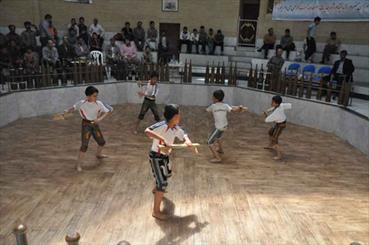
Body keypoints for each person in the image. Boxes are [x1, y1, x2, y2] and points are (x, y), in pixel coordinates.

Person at [145, 104, 195, 220]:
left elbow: (184, 134)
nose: (180, 116)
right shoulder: (161, 126)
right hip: (156, 157)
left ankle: (156, 188)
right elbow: (147, 131)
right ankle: (155, 211)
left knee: (167, 174)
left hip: (165, 156)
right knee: (162, 183)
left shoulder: (175, 127)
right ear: (175, 116)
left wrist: (187, 141)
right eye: (179, 114)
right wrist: (162, 139)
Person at [64, 86, 113, 172]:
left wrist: (99, 119)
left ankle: (98, 154)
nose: (96, 97)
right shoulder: (81, 103)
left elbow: (107, 111)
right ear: (88, 96)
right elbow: (74, 107)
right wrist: (67, 111)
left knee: (102, 142)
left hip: (94, 124)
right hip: (86, 125)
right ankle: (78, 165)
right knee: (84, 145)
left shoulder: (99, 103)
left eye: (96, 95)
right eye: (94, 96)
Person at [206, 89, 247, 163]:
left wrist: (238, 108)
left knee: (209, 142)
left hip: (218, 128)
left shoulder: (213, 106)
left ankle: (217, 158)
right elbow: (234, 110)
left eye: (213, 97)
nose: (212, 98)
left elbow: (207, 110)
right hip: (225, 126)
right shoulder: (225, 105)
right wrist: (240, 108)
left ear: (216, 98)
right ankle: (220, 150)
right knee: (218, 137)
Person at [263, 95, 291, 160]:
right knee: (270, 132)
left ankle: (279, 155)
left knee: (274, 139)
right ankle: (270, 146)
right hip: (279, 122)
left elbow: (266, 120)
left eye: (273, 102)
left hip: (281, 125)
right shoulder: (281, 105)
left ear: (277, 103)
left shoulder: (276, 113)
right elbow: (289, 105)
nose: (271, 103)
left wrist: (265, 114)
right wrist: (268, 110)